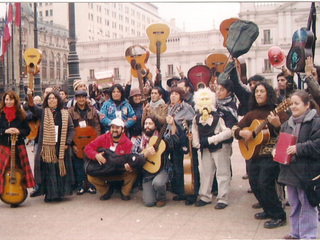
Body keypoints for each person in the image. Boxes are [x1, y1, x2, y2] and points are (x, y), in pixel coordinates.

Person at [232, 82, 288, 228]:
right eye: (256, 91)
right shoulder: (251, 114)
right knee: (254, 184)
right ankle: (267, 209)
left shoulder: (278, 111)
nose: (258, 94)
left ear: (268, 93)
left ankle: (278, 215)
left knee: (265, 184)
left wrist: (277, 125)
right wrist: (242, 132)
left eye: (262, 91)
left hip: (270, 155)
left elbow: (289, 132)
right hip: (253, 155)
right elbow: (235, 128)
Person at [275, 90, 320, 239]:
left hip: (308, 173)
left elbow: (317, 145)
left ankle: (308, 236)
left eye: (297, 103)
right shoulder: (287, 124)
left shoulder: (315, 122)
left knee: (307, 206)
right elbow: (280, 141)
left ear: (307, 105)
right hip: (291, 172)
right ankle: (295, 232)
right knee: (294, 204)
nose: (293, 107)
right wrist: (276, 151)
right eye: (291, 104)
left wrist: (298, 148)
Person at [27, 89, 75, 202]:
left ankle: (60, 193)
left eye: (53, 98)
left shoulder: (65, 113)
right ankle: (50, 194)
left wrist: (67, 143)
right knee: (49, 171)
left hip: (61, 146)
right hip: (47, 148)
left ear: (58, 100)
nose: (51, 100)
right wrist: (30, 96)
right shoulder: (43, 112)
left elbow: (71, 129)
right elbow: (31, 108)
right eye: (49, 98)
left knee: (59, 170)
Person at [192, 87, 232, 209]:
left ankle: (223, 198)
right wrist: (197, 144)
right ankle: (205, 196)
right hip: (206, 149)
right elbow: (194, 132)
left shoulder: (218, 117)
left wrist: (211, 140)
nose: (204, 101)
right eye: (202, 99)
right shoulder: (197, 118)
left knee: (222, 173)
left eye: (206, 99)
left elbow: (228, 132)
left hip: (220, 148)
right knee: (206, 173)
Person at [84, 118, 137, 201]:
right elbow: (88, 148)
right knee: (90, 176)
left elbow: (131, 158)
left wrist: (129, 165)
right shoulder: (103, 138)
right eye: (112, 127)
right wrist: (96, 155)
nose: (114, 130)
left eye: (117, 128)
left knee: (133, 172)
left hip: (120, 170)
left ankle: (124, 192)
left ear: (122, 130)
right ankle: (106, 191)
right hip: (105, 169)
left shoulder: (128, 143)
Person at [0, 91, 35, 208]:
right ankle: (4, 192)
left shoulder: (21, 114)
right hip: (4, 146)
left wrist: (18, 131)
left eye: (11, 99)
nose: (8, 102)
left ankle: (16, 195)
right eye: (6, 100)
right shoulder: (0, 114)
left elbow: (28, 130)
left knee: (18, 171)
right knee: (2, 171)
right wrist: (5, 131)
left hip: (18, 146)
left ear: (15, 100)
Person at [132, 117, 172, 207]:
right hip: (148, 174)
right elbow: (133, 158)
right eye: (146, 123)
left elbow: (173, 142)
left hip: (163, 170)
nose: (147, 126)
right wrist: (145, 154)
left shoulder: (162, 137)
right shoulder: (139, 141)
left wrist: (172, 125)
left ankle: (161, 197)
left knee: (158, 183)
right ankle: (153, 191)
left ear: (155, 126)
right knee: (149, 202)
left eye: (150, 124)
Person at [68, 90, 101, 195]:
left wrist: (97, 142)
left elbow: (97, 127)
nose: (81, 99)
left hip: (91, 141)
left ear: (86, 98)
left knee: (92, 163)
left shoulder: (92, 110)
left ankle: (92, 184)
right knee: (78, 164)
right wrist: (72, 144)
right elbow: (69, 128)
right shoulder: (71, 111)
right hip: (77, 142)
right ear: (76, 99)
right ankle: (81, 185)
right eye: (79, 97)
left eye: (83, 97)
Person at [166, 87, 195, 202]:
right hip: (174, 141)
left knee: (188, 167)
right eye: (172, 93)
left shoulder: (186, 107)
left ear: (181, 96)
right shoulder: (170, 108)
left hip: (184, 140)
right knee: (177, 167)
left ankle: (191, 194)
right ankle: (181, 192)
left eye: (176, 94)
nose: (173, 96)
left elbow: (193, 121)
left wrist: (191, 134)